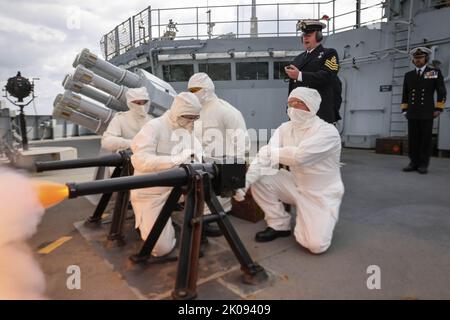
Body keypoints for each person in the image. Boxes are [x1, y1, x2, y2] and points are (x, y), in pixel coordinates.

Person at [236, 87, 344, 254]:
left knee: (315, 245)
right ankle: (279, 224)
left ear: (311, 105)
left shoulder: (328, 132)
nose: (293, 108)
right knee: (262, 177)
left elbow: (299, 156)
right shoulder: (284, 128)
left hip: (321, 191)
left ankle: (313, 217)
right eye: (290, 104)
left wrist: (268, 152)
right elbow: (264, 159)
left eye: (298, 103)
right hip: (295, 183)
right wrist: (244, 183)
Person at [130, 92, 202, 257]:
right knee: (160, 249)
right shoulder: (154, 127)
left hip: (178, 192)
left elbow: (199, 155)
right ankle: (152, 224)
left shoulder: (188, 129)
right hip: (151, 194)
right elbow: (139, 160)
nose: (191, 121)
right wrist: (175, 160)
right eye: (187, 117)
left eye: (194, 118)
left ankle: (173, 223)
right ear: (177, 112)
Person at [187, 72, 249, 237]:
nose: (193, 93)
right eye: (190, 90)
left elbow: (241, 144)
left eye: (196, 89)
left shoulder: (226, 111)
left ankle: (207, 221)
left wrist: (233, 176)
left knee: (208, 203)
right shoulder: (196, 112)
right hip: (199, 164)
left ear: (207, 89)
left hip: (220, 169)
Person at [401, 47, 447, 174]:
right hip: (412, 112)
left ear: (425, 59)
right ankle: (413, 162)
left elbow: (442, 92)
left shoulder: (433, 72)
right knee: (413, 139)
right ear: (413, 60)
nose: (418, 60)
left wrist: (439, 108)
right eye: (416, 58)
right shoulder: (408, 75)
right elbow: (405, 94)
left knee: (425, 140)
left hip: (427, 112)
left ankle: (423, 164)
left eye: (420, 58)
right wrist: (405, 109)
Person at [284, 19, 340, 124]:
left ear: (318, 36)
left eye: (309, 35)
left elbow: (328, 76)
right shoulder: (298, 59)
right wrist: (289, 108)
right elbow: (293, 87)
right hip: (298, 115)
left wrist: (300, 75)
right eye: (304, 35)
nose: (305, 38)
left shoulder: (329, 54)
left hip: (319, 114)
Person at [101, 87, 152, 152]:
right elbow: (107, 142)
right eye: (138, 103)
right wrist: (130, 143)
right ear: (130, 104)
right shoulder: (120, 119)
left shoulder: (152, 121)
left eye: (144, 102)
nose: (142, 106)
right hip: (127, 159)